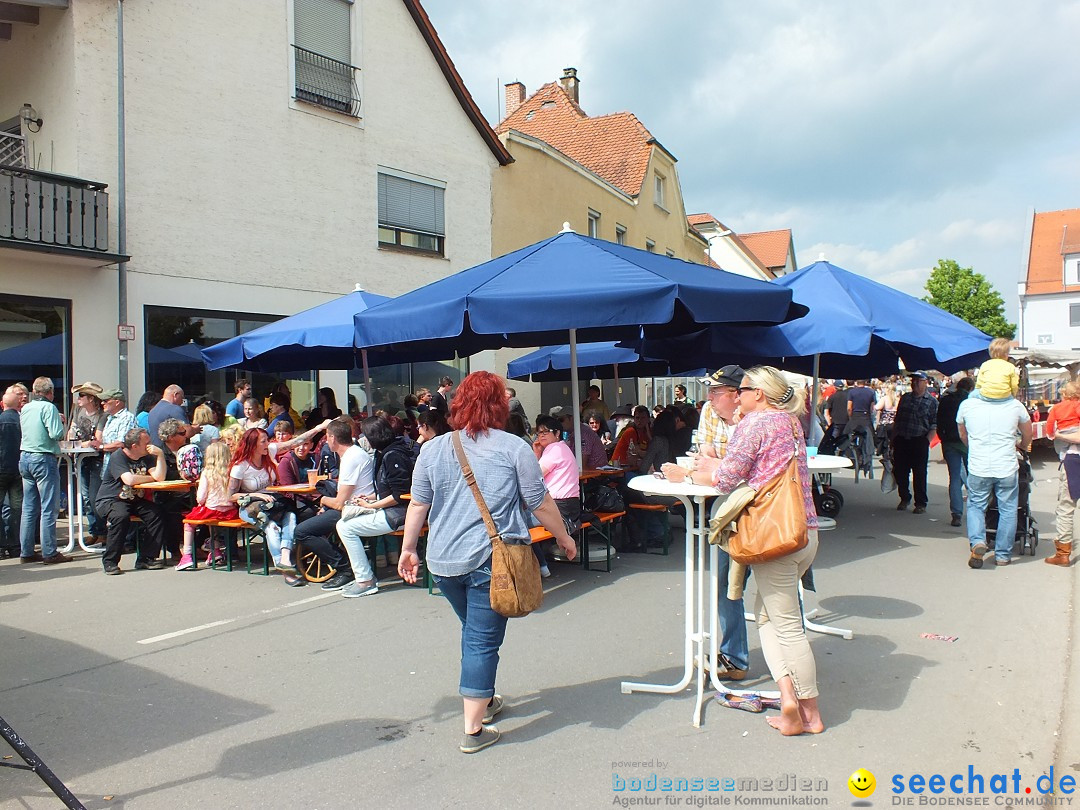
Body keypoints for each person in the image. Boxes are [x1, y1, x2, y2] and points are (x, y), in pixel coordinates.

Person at [398, 371, 578, 754]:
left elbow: (418, 503)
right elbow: (540, 502)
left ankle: (484, 698)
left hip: (443, 562)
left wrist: (407, 548)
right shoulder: (514, 447)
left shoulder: (432, 449)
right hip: (490, 560)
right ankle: (473, 729)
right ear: (500, 406)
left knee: (473, 632)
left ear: (457, 405)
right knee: (481, 641)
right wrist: (563, 536)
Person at [662, 366, 823, 736]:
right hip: (804, 532)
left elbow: (724, 479)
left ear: (758, 394)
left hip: (775, 537)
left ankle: (810, 713)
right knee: (767, 619)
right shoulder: (789, 422)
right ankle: (789, 703)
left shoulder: (755, 424)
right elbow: (758, 471)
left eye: (744, 390)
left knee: (786, 627)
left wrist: (683, 476)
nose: (739, 396)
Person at [333, 416, 415, 598]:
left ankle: (365, 580)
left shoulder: (392, 454)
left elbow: (399, 494)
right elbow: (389, 489)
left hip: (401, 514)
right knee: (345, 525)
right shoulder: (388, 451)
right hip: (397, 511)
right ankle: (364, 578)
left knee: (345, 528)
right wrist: (369, 498)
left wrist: (372, 504)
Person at [296, 417, 375, 592]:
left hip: (354, 509)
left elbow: (340, 503)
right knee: (311, 521)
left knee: (301, 531)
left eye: (326, 437)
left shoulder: (350, 458)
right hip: (358, 505)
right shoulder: (355, 453)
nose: (326, 441)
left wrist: (320, 499)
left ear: (332, 437)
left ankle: (344, 568)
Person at [957, 388, 1031, 568]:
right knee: (1008, 509)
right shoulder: (1015, 406)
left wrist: (973, 446)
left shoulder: (967, 405)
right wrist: (1021, 445)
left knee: (976, 505)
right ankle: (1003, 555)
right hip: (1006, 467)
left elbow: (962, 434)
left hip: (979, 466)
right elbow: (1028, 434)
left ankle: (978, 542)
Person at [227, 428, 300, 583]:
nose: (269, 443)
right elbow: (231, 496)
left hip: (272, 503)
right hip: (250, 508)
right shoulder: (240, 466)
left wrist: (319, 428)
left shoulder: (269, 453)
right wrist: (256, 495)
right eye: (264, 441)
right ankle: (283, 568)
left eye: (268, 440)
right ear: (253, 445)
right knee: (270, 525)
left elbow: (293, 443)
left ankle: (286, 558)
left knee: (291, 516)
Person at [95, 427, 168, 574]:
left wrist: (160, 455)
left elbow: (160, 477)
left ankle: (146, 558)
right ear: (134, 446)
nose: (150, 445)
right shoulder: (118, 456)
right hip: (111, 499)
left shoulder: (147, 456)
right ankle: (110, 561)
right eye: (146, 442)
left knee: (157, 513)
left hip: (134, 500)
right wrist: (149, 477)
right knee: (121, 517)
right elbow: (129, 479)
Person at [19, 376, 72, 565]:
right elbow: (56, 434)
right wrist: (60, 421)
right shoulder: (49, 408)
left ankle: (26, 551)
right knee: (48, 507)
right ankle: (49, 551)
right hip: (43, 457)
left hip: (25, 456)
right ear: (50, 392)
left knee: (29, 507)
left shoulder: (26, 408)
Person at [176, 440, 238, 570]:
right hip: (231, 510)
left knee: (189, 522)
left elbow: (201, 497)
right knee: (212, 523)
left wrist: (201, 502)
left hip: (213, 509)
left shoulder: (207, 472)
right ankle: (215, 551)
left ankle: (187, 555)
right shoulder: (232, 471)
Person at [531, 414, 581, 575]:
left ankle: (540, 565)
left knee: (516, 520)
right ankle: (542, 565)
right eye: (539, 432)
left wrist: (535, 454)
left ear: (557, 433)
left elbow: (534, 476)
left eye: (547, 431)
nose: (542, 435)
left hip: (558, 509)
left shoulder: (555, 449)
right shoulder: (562, 448)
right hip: (569, 507)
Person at [66, 382, 108, 547]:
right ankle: (95, 531)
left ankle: (103, 532)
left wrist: (79, 444)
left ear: (91, 398)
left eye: (82, 396)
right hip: (81, 459)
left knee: (94, 496)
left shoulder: (101, 416)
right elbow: (71, 432)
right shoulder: (79, 413)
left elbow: (97, 439)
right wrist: (76, 443)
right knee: (85, 498)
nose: (79, 399)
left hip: (96, 459)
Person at [891, 372, 938, 514]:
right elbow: (897, 420)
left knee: (919, 473)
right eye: (913, 380)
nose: (915, 383)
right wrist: (892, 440)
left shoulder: (931, 402)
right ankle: (904, 498)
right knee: (900, 471)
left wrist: (926, 442)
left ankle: (921, 503)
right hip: (902, 439)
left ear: (925, 383)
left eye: (918, 380)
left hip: (919, 440)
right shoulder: (905, 398)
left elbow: (934, 424)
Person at [157, 417, 197, 563]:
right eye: (182, 433)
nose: (186, 435)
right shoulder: (159, 453)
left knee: (208, 507)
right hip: (168, 494)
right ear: (171, 437)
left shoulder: (189, 449)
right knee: (171, 513)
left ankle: (198, 546)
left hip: (190, 493)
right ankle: (174, 550)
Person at [936, 378, 974, 526]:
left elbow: (939, 420)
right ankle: (976, 511)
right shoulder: (971, 402)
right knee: (974, 477)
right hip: (968, 443)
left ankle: (956, 514)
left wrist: (943, 438)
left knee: (954, 478)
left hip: (950, 443)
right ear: (971, 388)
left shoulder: (946, 400)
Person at [0, 386, 24, 558]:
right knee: (17, 510)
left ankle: (1, 547)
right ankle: (16, 546)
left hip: (1, 469)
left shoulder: (1, 420)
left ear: (2, 404)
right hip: (18, 470)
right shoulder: (23, 421)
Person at [550, 405, 607, 469]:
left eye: (561, 420)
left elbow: (581, 464)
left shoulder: (583, 433)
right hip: (589, 474)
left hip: (596, 475)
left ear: (571, 419)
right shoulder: (574, 433)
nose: (559, 423)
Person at [610, 405, 652, 470]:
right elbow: (638, 452)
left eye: (643, 418)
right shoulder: (630, 431)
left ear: (648, 419)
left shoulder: (646, 432)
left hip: (634, 467)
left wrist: (649, 434)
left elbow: (651, 446)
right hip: (621, 468)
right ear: (634, 419)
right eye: (637, 418)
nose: (639, 421)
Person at [1046, 381, 1080, 459]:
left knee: (1063, 449)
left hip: (1062, 430)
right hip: (1075, 430)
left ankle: (1063, 462)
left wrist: (1050, 433)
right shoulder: (1076, 404)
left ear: (1064, 394)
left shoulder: (1056, 407)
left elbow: (1050, 422)